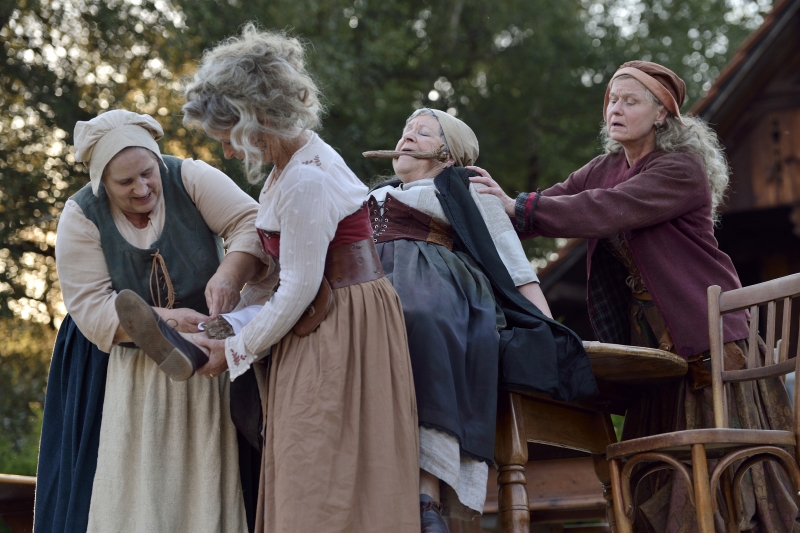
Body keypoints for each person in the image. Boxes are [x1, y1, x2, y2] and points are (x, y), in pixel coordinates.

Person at [117, 25, 420, 533]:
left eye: (228, 140)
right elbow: (282, 266)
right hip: (323, 310)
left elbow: (298, 286)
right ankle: (199, 337)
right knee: (308, 456)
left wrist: (237, 351)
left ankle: (204, 346)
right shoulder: (290, 167)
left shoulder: (305, 178)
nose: (229, 153)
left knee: (319, 459)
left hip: (339, 321)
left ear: (256, 121)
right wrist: (231, 300)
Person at [473, 60, 797, 532]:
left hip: (706, 344)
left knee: (726, 481)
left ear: (661, 114)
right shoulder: (605, 167)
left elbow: (604, 209)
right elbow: (553, 202)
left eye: (630, 101)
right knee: (648, 464)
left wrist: (518, 206)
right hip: (652, 346)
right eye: (611, 100)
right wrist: (480, 205)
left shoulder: (680, 169)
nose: (615, 110)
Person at [34, 109, 270, 533]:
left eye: (147, 173)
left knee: (207, 469)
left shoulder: (189, 177)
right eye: (125, 182)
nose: (142, 188)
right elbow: (90, 305)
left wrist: (229, 275)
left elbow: (251, 223)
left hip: (207, 344)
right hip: (120, 360)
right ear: (102, 182)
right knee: (129, 482)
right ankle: (158, 331)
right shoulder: (82, 215)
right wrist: (166, 320)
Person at [366, 108, 598, 531]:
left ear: (449, 154)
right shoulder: (371, 196)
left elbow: (516, 267)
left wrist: (552, 331)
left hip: (434, 284)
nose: (407, 138)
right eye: (405, 131)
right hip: (367, 284)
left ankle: (427, 499)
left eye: (423, 133)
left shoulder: (465, 188)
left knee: (420, 316)